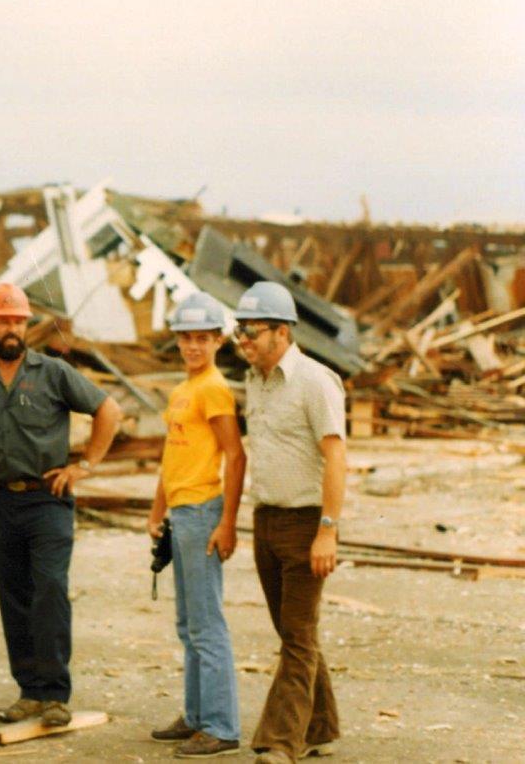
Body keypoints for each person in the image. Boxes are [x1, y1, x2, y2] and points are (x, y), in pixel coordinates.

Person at [0, 282, 122, 728]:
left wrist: (85, 466)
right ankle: (29, 691)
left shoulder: (52, 373)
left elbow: (109, 410)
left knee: (48, 592)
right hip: (2, 502)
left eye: (18, 321)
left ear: (27, 326)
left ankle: (56, 695)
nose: (11, 329)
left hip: (49, 499)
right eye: (3, 320)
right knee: (13, 596)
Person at [233, 281, 345, 764]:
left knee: (298, 637)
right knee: (292, 633)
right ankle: (319, 726)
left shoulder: (316, 382)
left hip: (304, 525)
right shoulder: (253, 381)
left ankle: (280, 742)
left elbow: (336, 456)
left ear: (281, 332)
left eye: (252, 334)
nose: (244, 342)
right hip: (266, 521)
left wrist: (327, 528)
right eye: (240, 333)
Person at [146, 292, 246, 758]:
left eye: (202, 339)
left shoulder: (214, 388)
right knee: (188, 624)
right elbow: (172, 456)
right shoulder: (183, 390)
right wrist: (156, 510)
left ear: (217, 341)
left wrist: (227, 522)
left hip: (204, 510)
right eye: (186, 338)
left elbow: (235, 454)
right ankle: (196, 715)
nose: (193, 346)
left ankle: (222, 726)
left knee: (207, 625)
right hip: (181, 513)